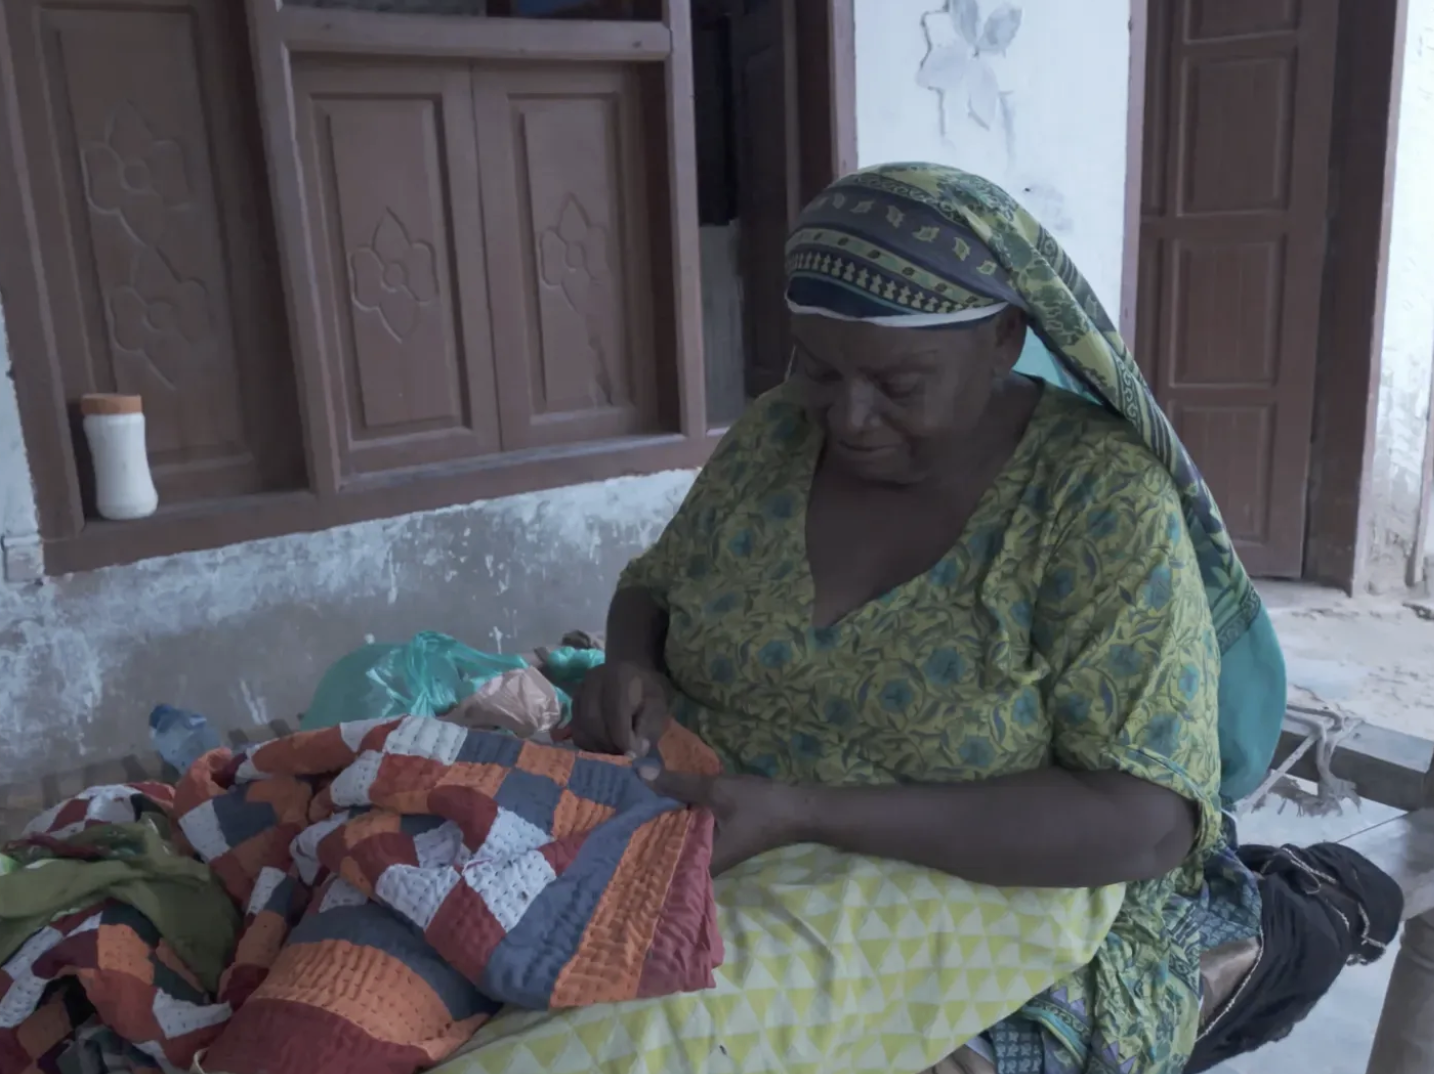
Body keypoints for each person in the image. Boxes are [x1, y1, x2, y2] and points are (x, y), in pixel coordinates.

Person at [569, 163, 1290, 1074]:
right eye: (819, 369)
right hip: (719, 834)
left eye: (898, 384)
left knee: (636, 1045)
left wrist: (806, 814)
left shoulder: (1095, 498)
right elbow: (653, 588)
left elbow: (1146, 823)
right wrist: (632, 666)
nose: (849, 416)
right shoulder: (776, 435)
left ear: (1003, 340)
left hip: (990, 890)